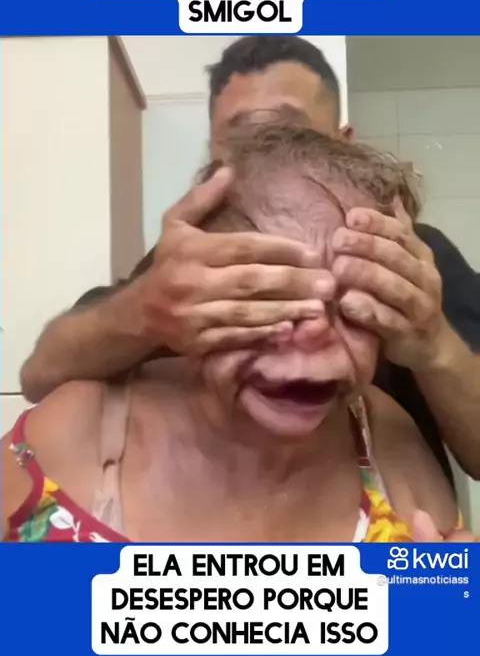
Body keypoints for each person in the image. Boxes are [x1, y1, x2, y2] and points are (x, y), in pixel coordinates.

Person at [20, 37, 480, 485]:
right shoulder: (184, 264)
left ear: (345, 145)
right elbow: (40, 376)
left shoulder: (414, 262)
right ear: (213, 157)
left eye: (291, 134)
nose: (266, 156)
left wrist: (436, 345)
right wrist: (142, 309)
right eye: (241, 141)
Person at [2, 126, 474, 543]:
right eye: (268, 294)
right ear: (189, 297)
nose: (315, 334)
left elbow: (433, 610)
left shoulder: (390, 443)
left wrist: (441, 602)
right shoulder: (77, 431)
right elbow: (40, 371)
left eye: (354, 308)